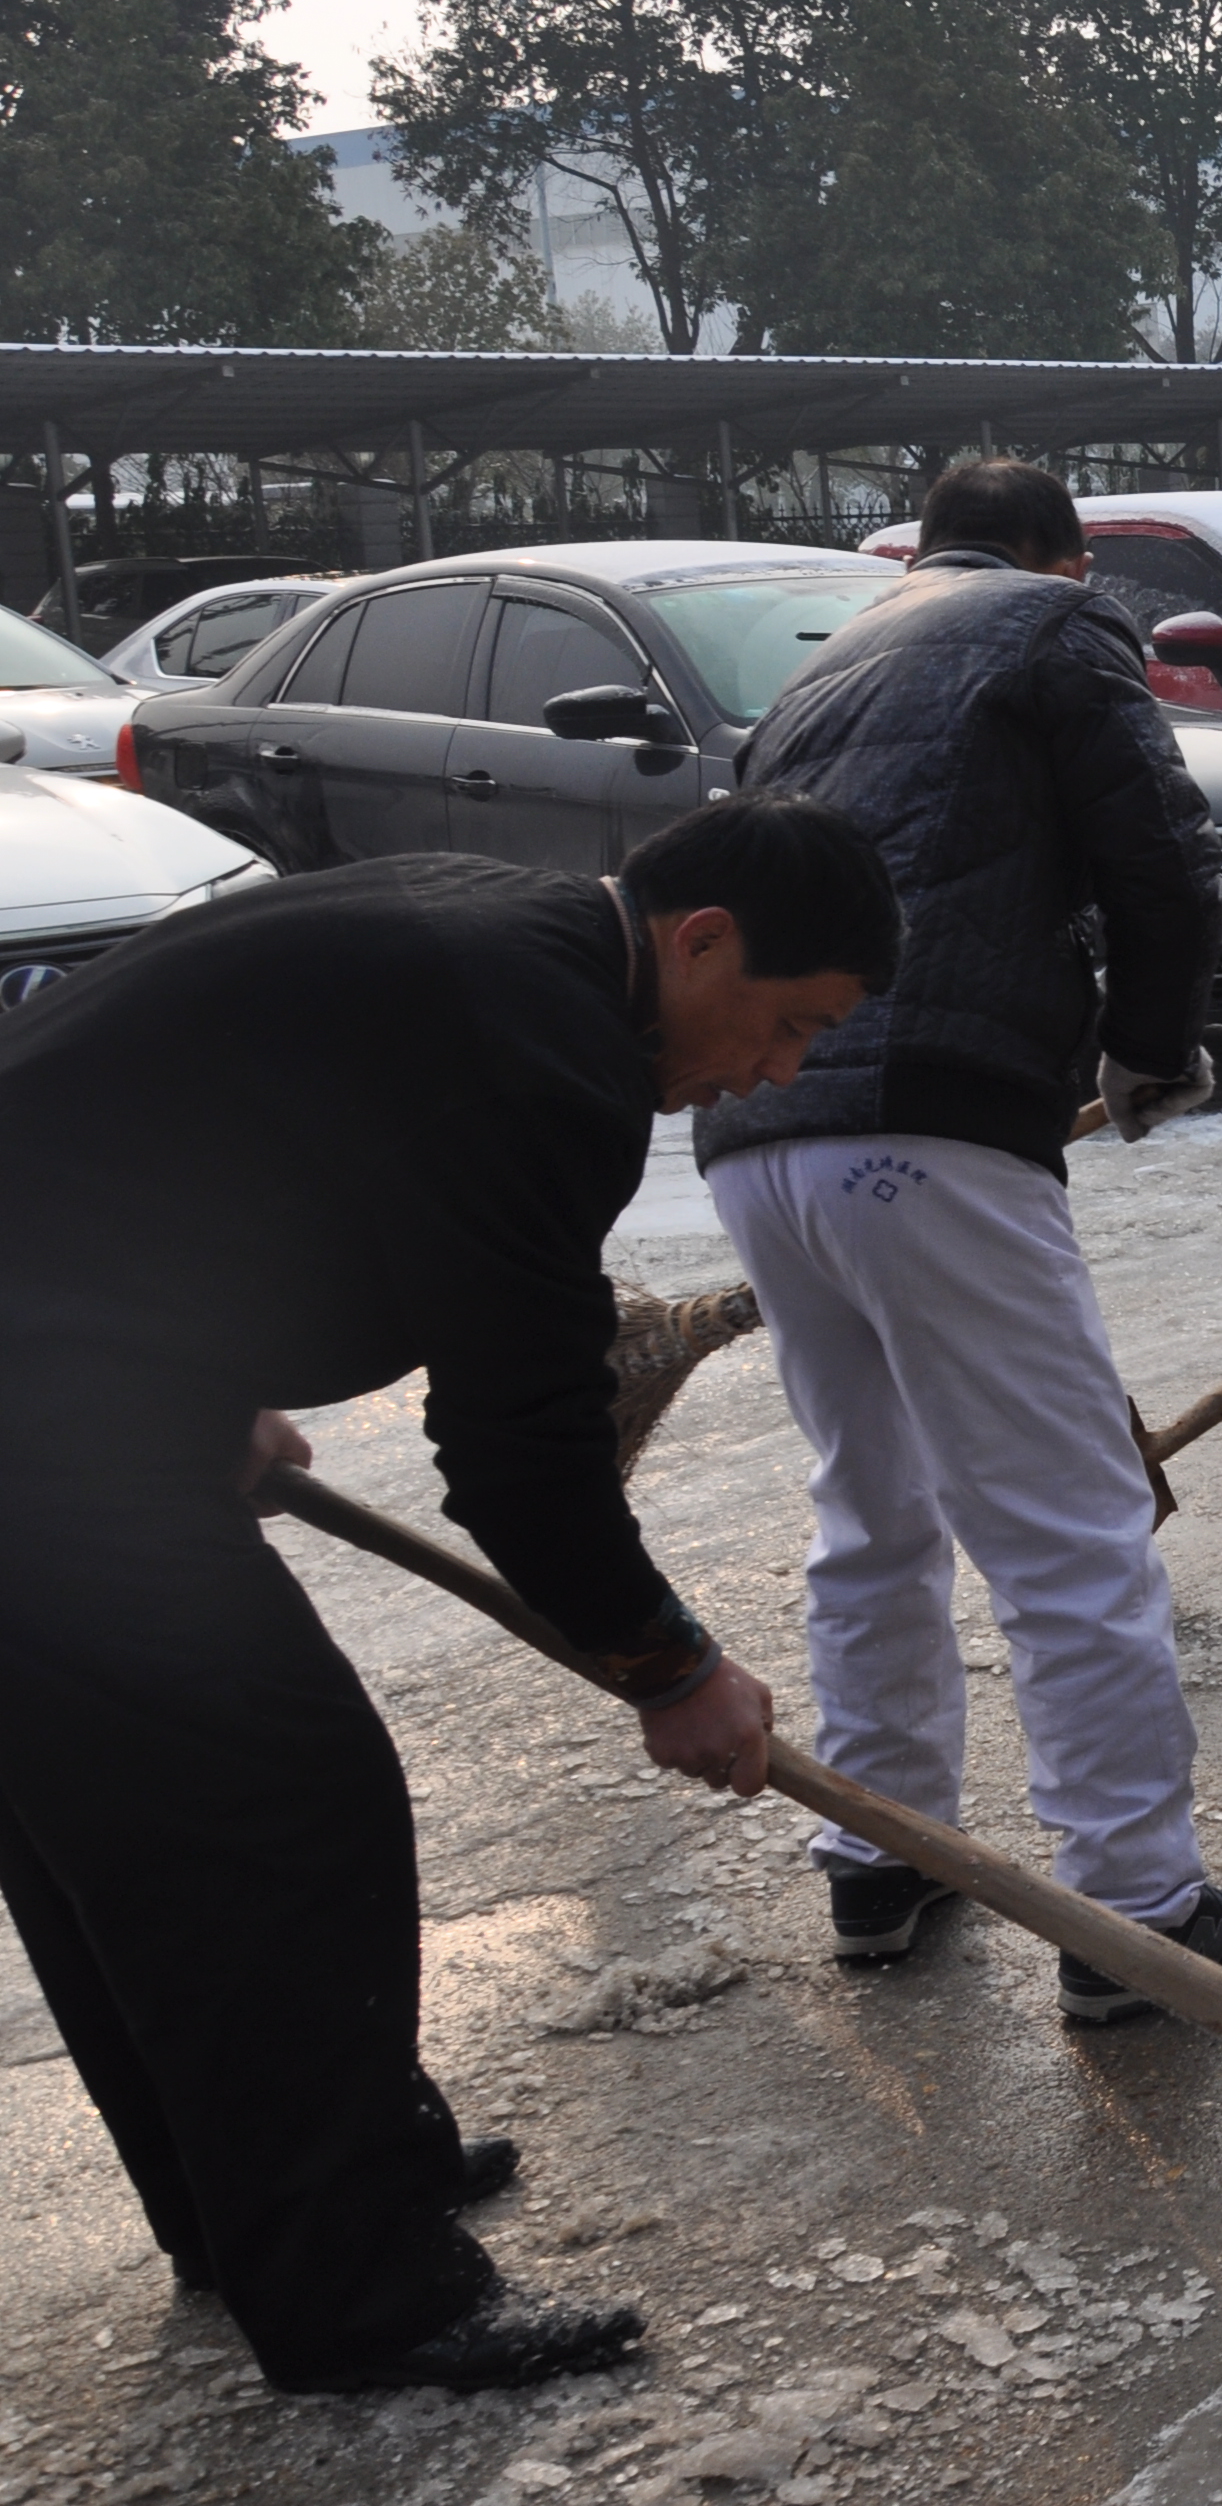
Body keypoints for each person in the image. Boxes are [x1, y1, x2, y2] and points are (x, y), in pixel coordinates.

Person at [0, 794, 891, 2390]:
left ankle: (264, 2193)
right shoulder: (543, 1048)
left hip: (68, 1369)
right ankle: (361, 2290)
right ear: (704, 944)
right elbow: (518, 1449)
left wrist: (195, 1380)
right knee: (274, 1805)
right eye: (790, 1024)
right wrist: (668, 1664)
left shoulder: (503, 939)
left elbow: (183, 1129)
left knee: (119, 1823)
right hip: (40, 1410)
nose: (779, 1073)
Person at [696, 458, 1222, 2026]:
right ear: (1061, 553)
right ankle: (1137, 1915)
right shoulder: (1053, 629)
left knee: (872, 1502)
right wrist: (1151, 1044)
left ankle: (878, 1855)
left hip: (759, 1129)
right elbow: (1163, 849)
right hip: (934, 1116)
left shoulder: (831, 658)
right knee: (1065, 1524)